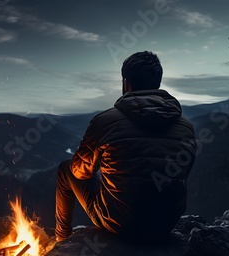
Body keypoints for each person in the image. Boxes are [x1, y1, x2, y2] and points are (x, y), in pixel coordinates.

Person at [55, 51, 196, 243]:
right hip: (166, 223)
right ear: (158, 82)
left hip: (120, 223)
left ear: (126, 83)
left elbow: (80, 173)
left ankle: (61, 241)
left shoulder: (104, 121)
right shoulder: (186, 127)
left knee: (66, 170)